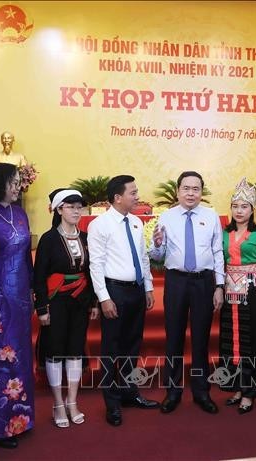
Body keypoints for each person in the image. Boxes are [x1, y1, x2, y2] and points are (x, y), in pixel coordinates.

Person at [150, 171, 225, 415]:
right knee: (174, 337)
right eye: (186, 188)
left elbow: (217, 253)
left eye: (196, 189)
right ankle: (172, 392)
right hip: (177, 281)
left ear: (201, 192)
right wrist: (158, 244)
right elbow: (157, 258)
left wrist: (219, 286)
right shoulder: (167, 217)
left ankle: (202, 392)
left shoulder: (211, 215)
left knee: (201, 338)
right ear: (178, 190)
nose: (191, 193)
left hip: (204, 282)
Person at [87, 176, 158, 426]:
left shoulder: (137, 222)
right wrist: (103, 298)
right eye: (133, 192)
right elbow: (95, 264)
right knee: (111, 350)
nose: (137, 196)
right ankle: (112, 402)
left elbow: (144, 257)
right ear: (118, 197)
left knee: (132, 346)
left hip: (137, 291)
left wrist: (148, 287)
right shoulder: (100, 225)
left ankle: (130, 393)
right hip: (114, 292)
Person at [33, 188, 99, 429]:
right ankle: (58, 402)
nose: (76, 211)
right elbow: (39, 276)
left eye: (79, 207)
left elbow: (90, 272)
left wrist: (92, 302)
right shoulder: (49, 240)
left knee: (74, 350)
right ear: (59, 209)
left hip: (80, 301)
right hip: (55, 301)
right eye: (70, 206)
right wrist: (41, 308)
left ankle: (72, 401)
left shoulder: (85, 237)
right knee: (55, 350)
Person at [0, 163, 35, 449]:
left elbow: (27, 257)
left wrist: (34, 290)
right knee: (1, 358)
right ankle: (1, 426)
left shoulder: (21, 213)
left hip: (21, 297)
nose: (17, 187)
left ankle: (23, 418)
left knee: (22, 354)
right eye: (13, 182)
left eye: (18, 183)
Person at [219, 178, 256, 414]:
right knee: (233, 343)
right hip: (229, 293)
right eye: (235, 206)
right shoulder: (224, 232)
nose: (239, 211)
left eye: (244, 207)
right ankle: (238, 387)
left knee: (252, 341)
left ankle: (251, 391)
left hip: (253, 292)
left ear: (252, 209)